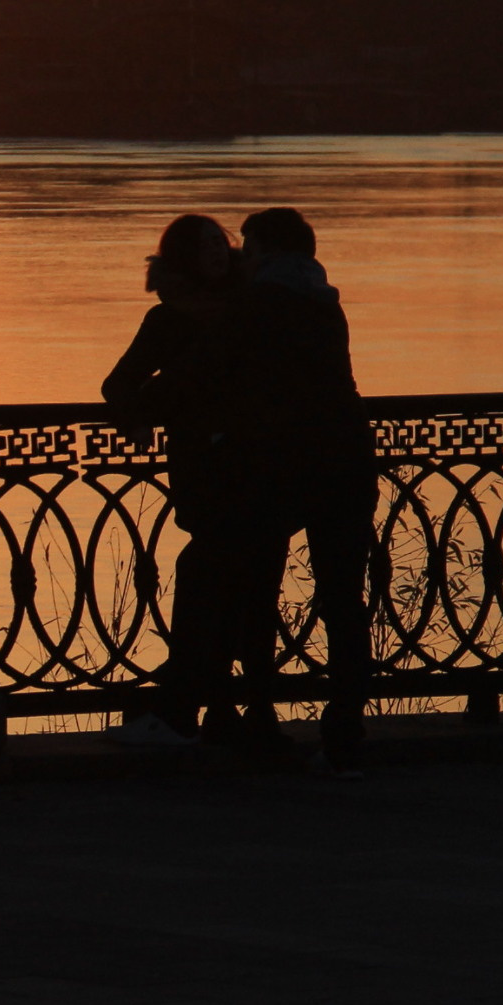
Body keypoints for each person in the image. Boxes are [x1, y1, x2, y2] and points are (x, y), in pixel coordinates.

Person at [99, 213, 282, 754]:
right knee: (220, 581)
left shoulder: (256, 310)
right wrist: (137, 414)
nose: (217, 252)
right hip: (206, 471)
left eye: (219, 242)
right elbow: (118, 383)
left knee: (244, 587)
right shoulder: (171, 320)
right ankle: (216, 709)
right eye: (203, 245)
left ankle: (229, 710)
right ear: (181, 258)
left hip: (255, 467)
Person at [228, 207, 377, 775]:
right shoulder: (324, 298)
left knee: (258, 591)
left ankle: (260, 721)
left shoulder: (259, 303)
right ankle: (345, 736)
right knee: (343, 599)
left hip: (281, 461)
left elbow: (223, 371)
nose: (243, 256)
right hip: (347, 456)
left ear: (263, 248)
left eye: (247, 245)